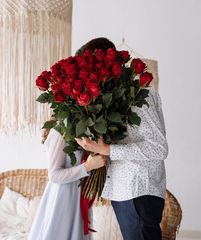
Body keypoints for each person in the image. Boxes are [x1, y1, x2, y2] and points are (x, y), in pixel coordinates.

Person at [75, 38, 168, 240]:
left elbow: (159, 148)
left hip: (138, 190)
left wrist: (108, 150)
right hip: (123, 191)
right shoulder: (110, 98)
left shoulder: (142, 94)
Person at [28, 38, 115, 240]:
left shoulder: (84, 124)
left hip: (78, 197)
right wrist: (88, 167)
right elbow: (54, 175)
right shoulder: (61, 126)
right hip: (61, 201)